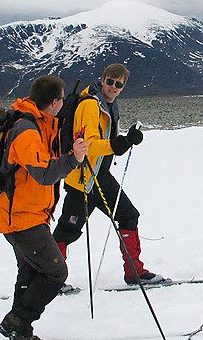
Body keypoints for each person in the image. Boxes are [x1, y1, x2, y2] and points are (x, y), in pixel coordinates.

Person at [0, 75, 88, 340]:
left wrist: (70, 151)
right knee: (55, 272)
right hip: (20, 217)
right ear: (55, 101)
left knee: (30, 273)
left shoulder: (41, 123)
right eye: (62, 99)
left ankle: (20, 331)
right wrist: (74, 160)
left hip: (29, 214)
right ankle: (16, 321)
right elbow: (44, 174)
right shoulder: (27, 129)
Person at [54, 63, 167, 285]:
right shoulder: (90, 105)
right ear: (103, 79)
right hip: (83, 179)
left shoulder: (107, 105)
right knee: (66, 231)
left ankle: (134, 272)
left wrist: (123, 141)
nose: (113, 87)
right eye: (110, 82)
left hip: (100, 177)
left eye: (118, 84)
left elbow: (105, 143)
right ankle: (49, 279)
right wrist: (120, 143)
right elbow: (88, 145)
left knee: (128, 215)